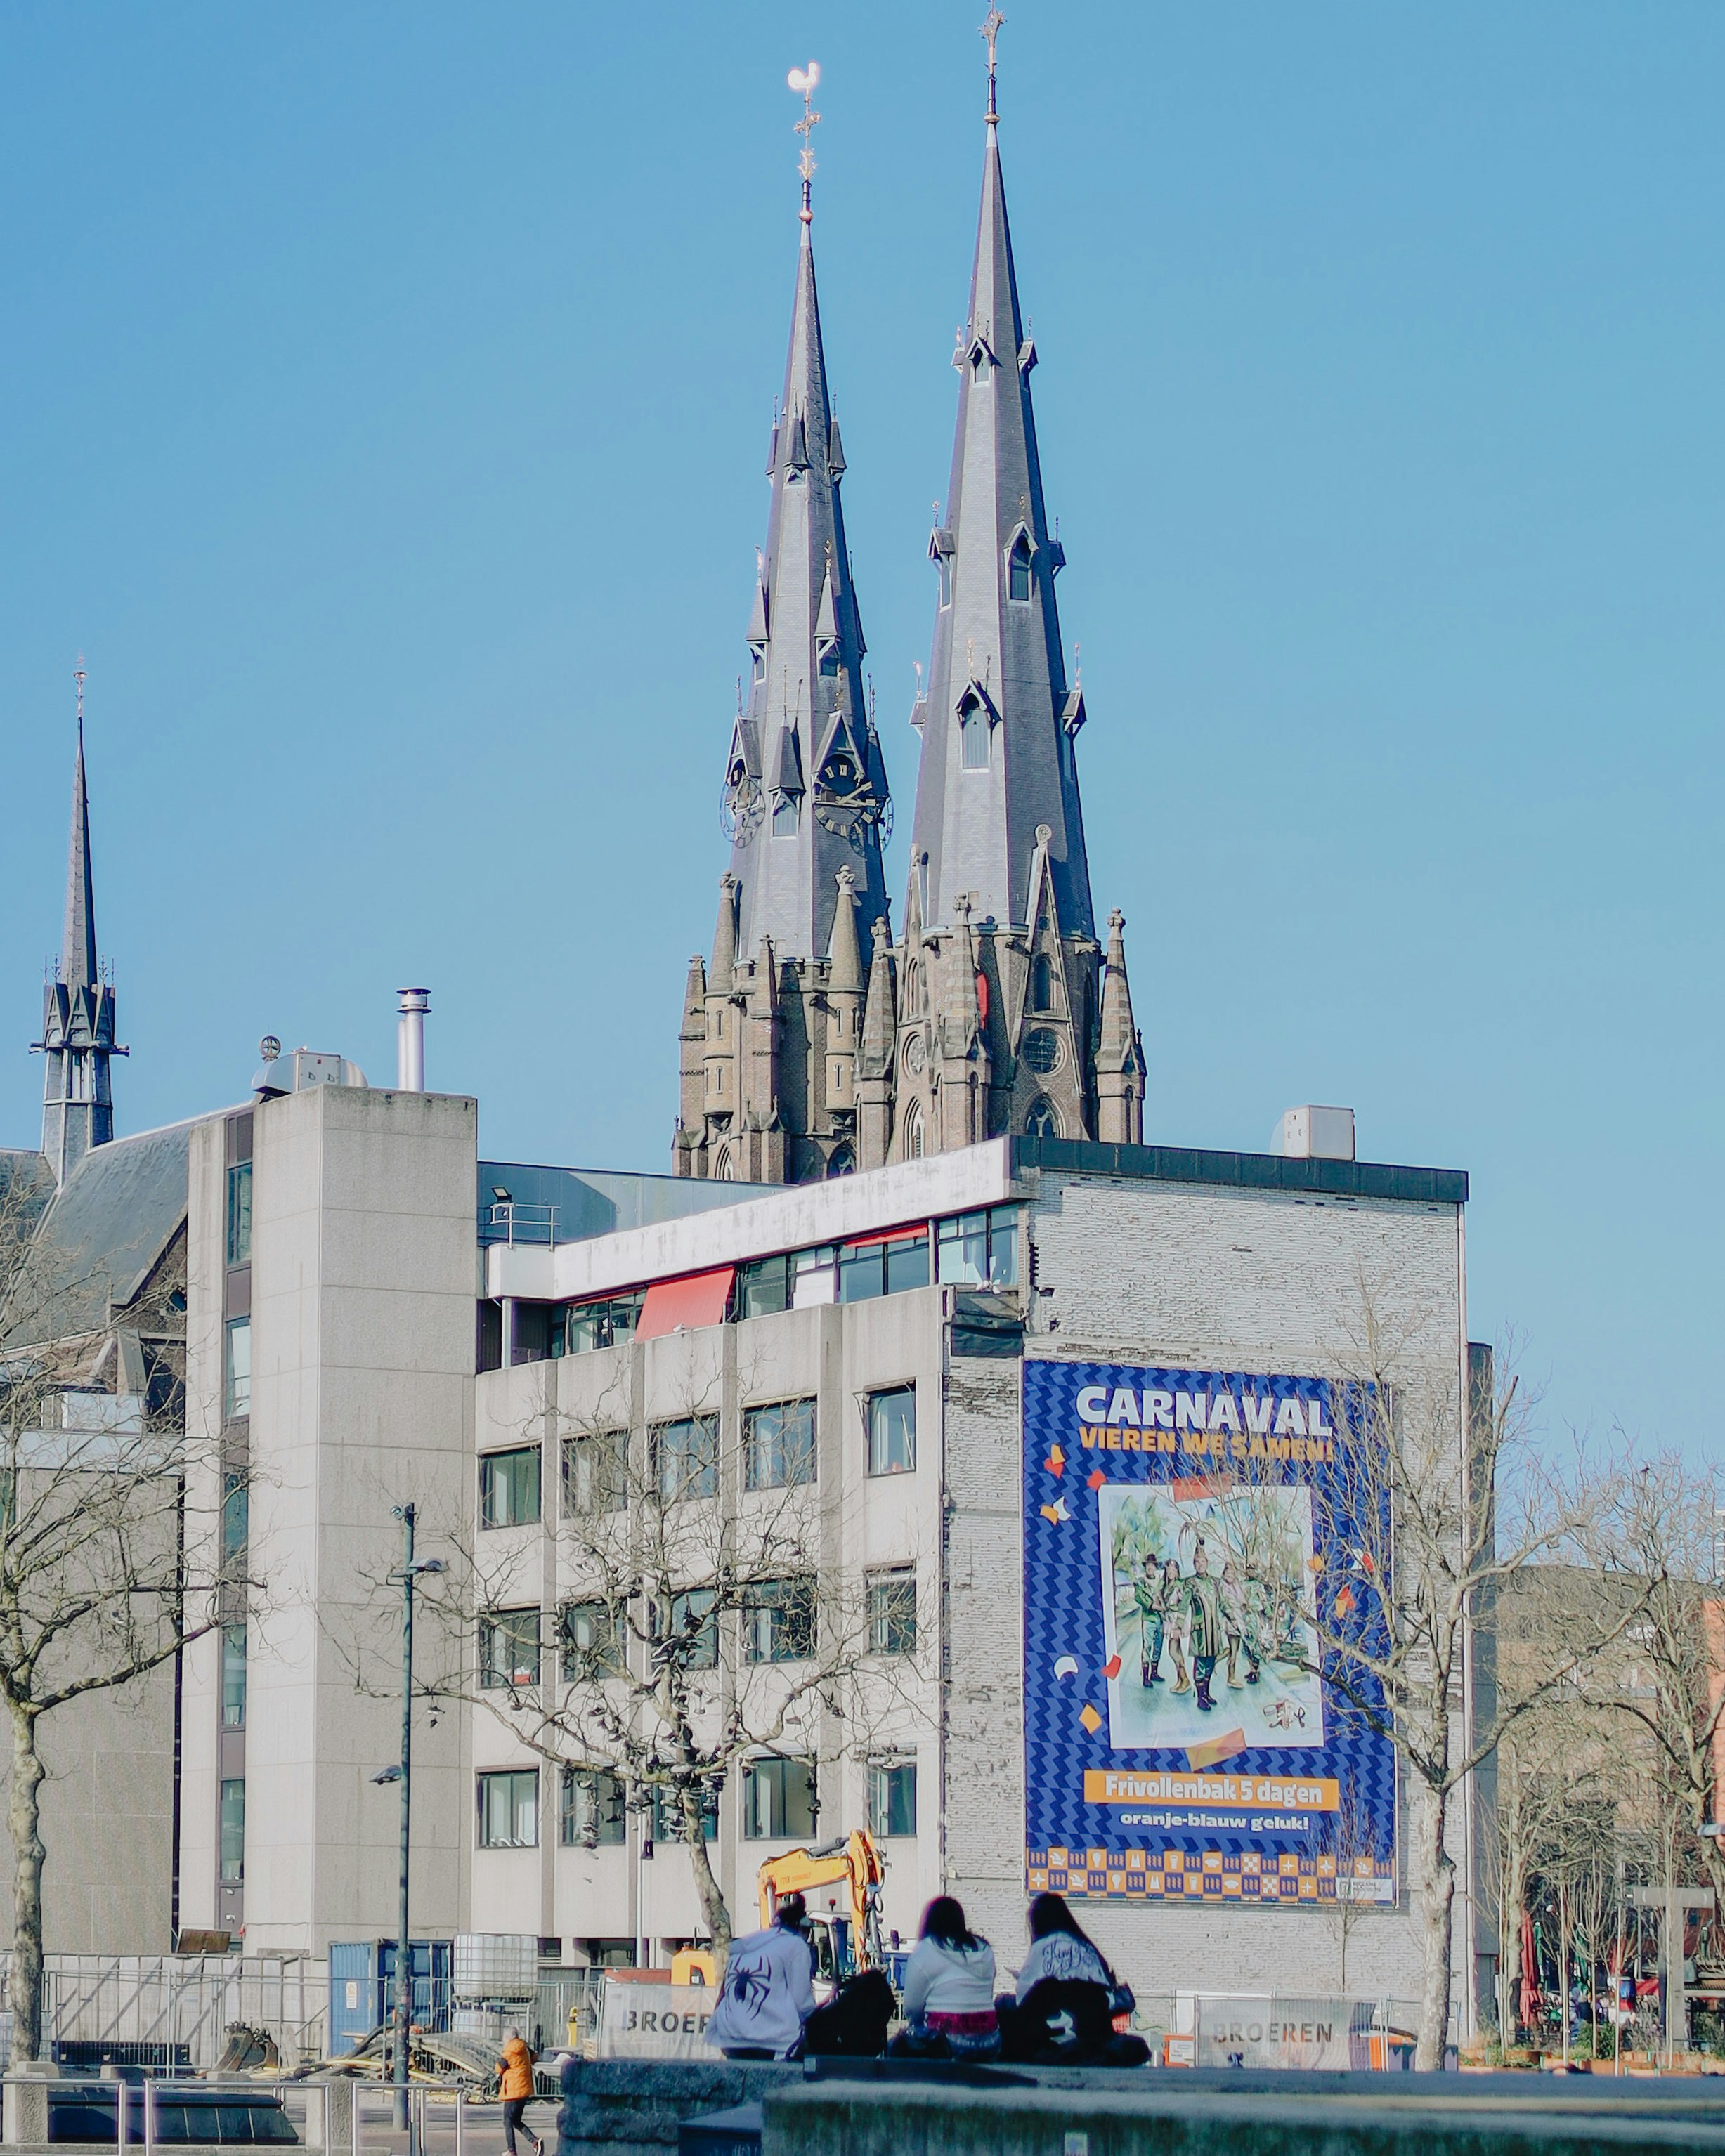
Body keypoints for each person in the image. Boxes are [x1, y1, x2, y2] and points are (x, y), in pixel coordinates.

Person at [997, 1893, 1147, 2067]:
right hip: (1092, 2027)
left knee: (1005, 2004)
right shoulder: (1087, 1947)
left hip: (1052, 2028)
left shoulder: (1041, 1947)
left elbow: (1023, 1998)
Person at [703, 1892, 816, 2060]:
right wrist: (816, 2022)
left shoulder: (745, 1944)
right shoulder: (795, 1945)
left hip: (730, 2033)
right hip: (768, 2037)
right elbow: (802, 2001)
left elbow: (725, 1992)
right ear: (801, 1928)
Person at [890, 1897, 999, 2059]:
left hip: (944, 2045)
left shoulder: (926, 1950)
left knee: (895, 2045)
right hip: (990, 2042)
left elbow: (912, 2008)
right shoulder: (984, 1948)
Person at [1183, 1540, 1225, 1712]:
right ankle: (1200, 1698)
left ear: (1207, 1563)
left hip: (1214, 1630)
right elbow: (1183, 1606)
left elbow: (1223, 1604)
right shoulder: (1190, 1583)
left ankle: (1207, 1693)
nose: (1200, 1565)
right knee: (1201, 1662)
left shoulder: (1216, 1582)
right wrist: (1179, 1624)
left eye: (1203, 1561)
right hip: (1200, 1631)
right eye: (1197, 1562)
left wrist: (1234, 1617)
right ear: (1194, 1564)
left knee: (1211, 1661)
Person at [496, 2030, 542, 2156]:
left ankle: (512, 2151)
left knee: (507, 2121)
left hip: (513, 2091)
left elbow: (500, 2068)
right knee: (516, 2120)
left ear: (507, 2038)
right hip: (525, 2089)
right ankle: (535, 2141)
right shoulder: (524, 2048)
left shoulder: (509, 2051)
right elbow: (534, 2058)